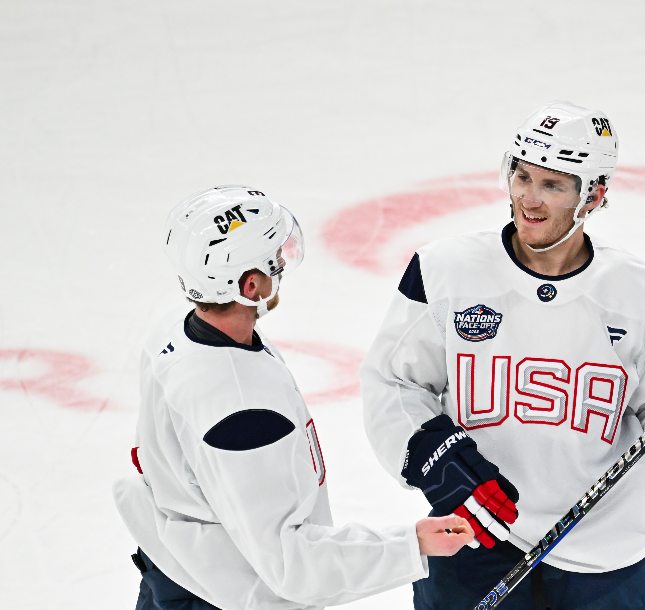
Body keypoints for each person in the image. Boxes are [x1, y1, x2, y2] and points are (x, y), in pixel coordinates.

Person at [361, 101, 645, 610]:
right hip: (473, 532)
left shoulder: (642, 295)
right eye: (522, 177)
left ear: (594, 195)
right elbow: (392, 386)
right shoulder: (444, 271)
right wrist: (442, 465)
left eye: (553, 185)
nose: (529, 199)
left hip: (607, 553)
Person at [113, 185, 474, 610]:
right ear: (249, 285)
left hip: (173, 572)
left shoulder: (173, 330)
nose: (283, 264)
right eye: (274, 259)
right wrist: (410, 545)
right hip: (219, 597)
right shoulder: (243, 411)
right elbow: (292, 566)